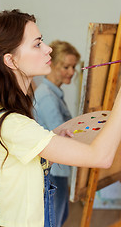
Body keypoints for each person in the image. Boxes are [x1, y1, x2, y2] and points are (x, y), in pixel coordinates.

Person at [0, 9, 121, 227]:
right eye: (37, 44)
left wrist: (50, 140)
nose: (48, 49)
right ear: (10, 60)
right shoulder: (13, 124)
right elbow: (101, 157)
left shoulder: (6, 116)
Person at [33, 40, 80, 227]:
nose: (71, 72)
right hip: (51, 171)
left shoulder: (53, 93)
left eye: (73, 67)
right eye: (65, 66)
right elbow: (60, 137)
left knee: (57, 217)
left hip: (55, 170)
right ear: (51, 64)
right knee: (52, 221)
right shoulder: (46, 96)